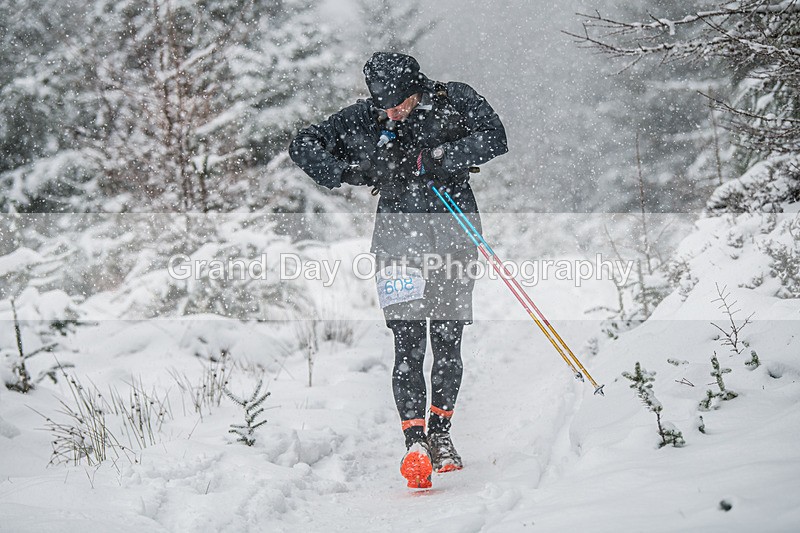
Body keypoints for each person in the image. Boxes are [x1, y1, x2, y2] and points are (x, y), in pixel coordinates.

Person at [289, 52, 507, 488]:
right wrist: (349, 171)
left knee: (446, 341)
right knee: (408, 347)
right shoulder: (366, 117)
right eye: (382, 103)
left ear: (415, 88)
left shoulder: (453, 99)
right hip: (396, 246)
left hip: (452, 238)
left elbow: (494, 137)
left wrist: (437, 157)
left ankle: (440, 434)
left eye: (398, 103)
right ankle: (415, 442)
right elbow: (304, 144)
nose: (390, 112)